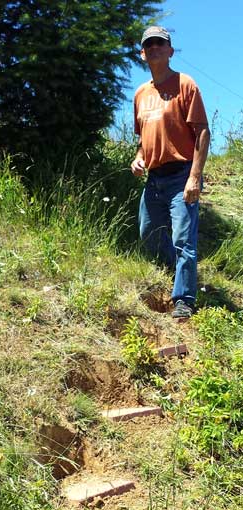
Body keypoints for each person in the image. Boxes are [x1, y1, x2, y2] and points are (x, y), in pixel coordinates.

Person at [131, 26, 210, 318]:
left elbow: (202, 132)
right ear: (143, 53)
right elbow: (142, 140)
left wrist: (194, 177)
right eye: (148, 44)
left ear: (170, 51)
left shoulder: (185, 85)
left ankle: (184, 299)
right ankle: (174, 269)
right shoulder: (140, 93)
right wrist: (138, 159)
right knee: (147, 232)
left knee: (183, 238)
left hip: (181, 174)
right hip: (154, 178)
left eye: (160, 44)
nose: (154, 48)